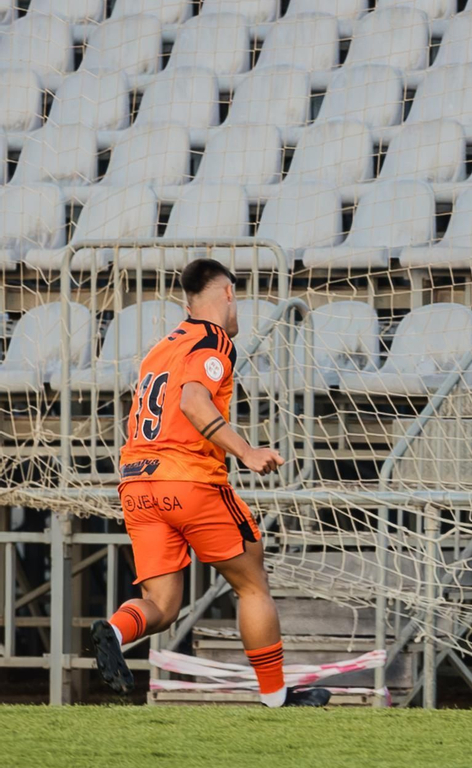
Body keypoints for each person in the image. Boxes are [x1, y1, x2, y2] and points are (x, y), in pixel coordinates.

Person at [94, 259, 330, 708]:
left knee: (161, 606)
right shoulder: (213, 340)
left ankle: (114, 630)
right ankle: (277, 696)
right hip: (187, 482)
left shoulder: (161, 347)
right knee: (252, 582)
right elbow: (193, 401)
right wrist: (247, 451)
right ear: (228, 295)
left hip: (137, 484)